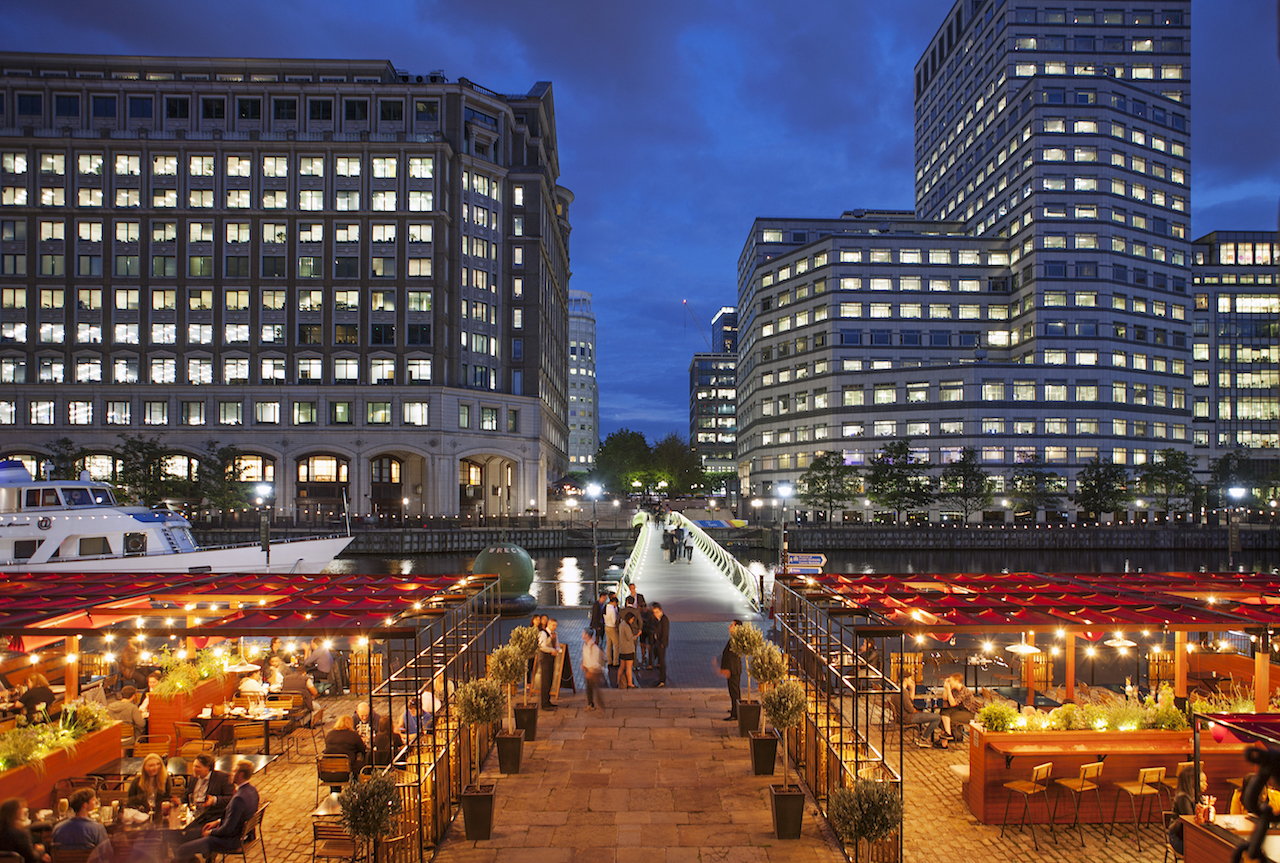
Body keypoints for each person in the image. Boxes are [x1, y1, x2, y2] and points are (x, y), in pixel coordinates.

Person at [174, 760, 258, 863]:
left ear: (240, 774)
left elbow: (227, 829)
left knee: (182, 850)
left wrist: (210, 833)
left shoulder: (238, 799)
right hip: (243, 834)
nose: (231, 773)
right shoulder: (252, 790)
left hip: (230, 841)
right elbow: (236, 817)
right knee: (189, 835)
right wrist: (218, 821)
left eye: (234, 771)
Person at [181, 753, 235, 838]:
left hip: (210, 816)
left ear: (207, 768)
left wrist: (214, 800)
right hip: (193, 815)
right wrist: (179, 801)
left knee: (187, 835)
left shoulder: (222, 778)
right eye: (194, 766)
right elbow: (188, 796)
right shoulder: (193, 778)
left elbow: (231, 799)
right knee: (176, 833)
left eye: (197, 767)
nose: (194, 769)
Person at [50, 788, 110, 860]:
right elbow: (107, 854)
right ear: (85, 805)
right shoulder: (98, 828)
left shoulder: (57, 828)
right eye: (93, 800)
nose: (96, 801)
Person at [897, 674, 945, 748]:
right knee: (937, 717)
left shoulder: (897, 689)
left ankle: (922, 735)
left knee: (926, 715)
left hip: (901, 716)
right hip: (907, 717)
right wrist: (918, 711)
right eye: (910, 679)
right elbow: (910, 709)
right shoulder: (904, 692)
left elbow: (910, 700)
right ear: (905, 680)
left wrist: (913, 689)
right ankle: (924, 738)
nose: (912, 681)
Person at [1167, 767, 1207, 855]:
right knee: (1204, 851)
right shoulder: (1183, 797)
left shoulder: (1197, 796)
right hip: (1179, 837)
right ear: (1191, 782)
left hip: (1191, 835)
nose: (1205, 784)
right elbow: (1190, 820)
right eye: (1202, 781)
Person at [0, 798, 49, 863]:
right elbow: (32, 858)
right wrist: (40, 851)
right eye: (20, 808)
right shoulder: (20, 834)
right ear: (16, 812)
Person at [940, 673, 982, 741]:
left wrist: (948, 690)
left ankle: (946, 738)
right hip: (960, 709)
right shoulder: (955, 689)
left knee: (949, 719)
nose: (950, 683)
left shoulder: (964, 691)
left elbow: (953, 703)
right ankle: (948, 734)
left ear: (956, 682)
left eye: (951, 681)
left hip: (968, 713)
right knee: (944, 712)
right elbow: (945, 699)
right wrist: (946, 688)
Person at [717, 620, 743, 720]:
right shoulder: (734, 638)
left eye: (731, 625)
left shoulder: (736, 640)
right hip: (732, 669)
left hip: (733, 670)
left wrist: (726, 669)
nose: (729, 626)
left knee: (734, 691)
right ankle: (734, 709)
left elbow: (732, 657)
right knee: (733, 691)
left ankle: (735, 713)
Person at [538, 618, 561, 709]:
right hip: (545, 659)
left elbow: (557, 644)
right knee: (545, 681)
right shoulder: (543, 633)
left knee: (550, 679)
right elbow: (542, 646)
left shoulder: (554, 634)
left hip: (551, 658)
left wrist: (557, 649)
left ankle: (548, 700)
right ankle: (544, 703)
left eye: (556, 625)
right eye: (553, 625)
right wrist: (552, 650)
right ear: (549, 624)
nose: (554, 627)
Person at [581, 629, 606, 711]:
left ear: (587, 635)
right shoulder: (585, 644)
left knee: (595, 690)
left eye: (583, 633)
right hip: (588, 670)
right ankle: (591, 704)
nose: (582, 634)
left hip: (593, 671)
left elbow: (596, 662)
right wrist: (583, 663)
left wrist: (590, 671)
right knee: (589, 689)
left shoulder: (593, 647)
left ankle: (600, 706)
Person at [617, 604, 638, 689]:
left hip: (622, 650)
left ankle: (618, 682)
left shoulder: (621, 625)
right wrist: (637, 635)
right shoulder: (627, 627)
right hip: (628, 650)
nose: (632, 621)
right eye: (632, 619)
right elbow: (630, 638)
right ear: (629, 618)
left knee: (621, 666)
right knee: (629, 667)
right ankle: (630, 683)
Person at [651, 603, 670, 687]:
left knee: (662, 662)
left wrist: (662, 643)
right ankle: (660, 679)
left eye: (657, 612)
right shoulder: (656, 619)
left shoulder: (664, 619)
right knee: (659, 661)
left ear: (661, 611)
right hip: (657, 642)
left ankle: (662, 680)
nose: (655, 614)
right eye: (654, 612)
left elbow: (665, 632)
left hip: (661, 644)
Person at [603, 595, 620, 668]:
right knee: (617, 644)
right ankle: (615, 661)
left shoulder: (605, 607)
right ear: (614, 602)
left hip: (606, 626)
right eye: (616, 603)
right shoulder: (612, 609)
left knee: (609, 644)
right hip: (612, 627)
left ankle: (609, 660)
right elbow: (614, 621)